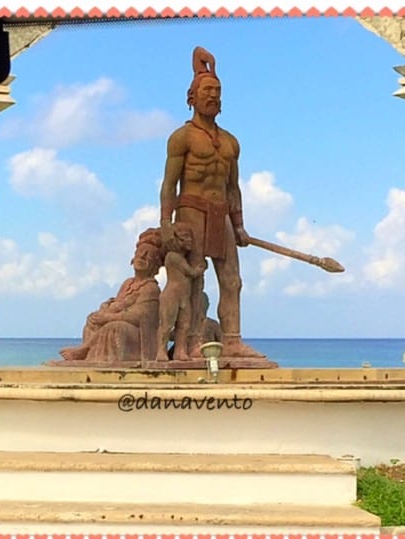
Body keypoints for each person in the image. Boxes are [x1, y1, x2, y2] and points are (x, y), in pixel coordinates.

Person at [159, 46, 264, 358]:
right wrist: (166, 223)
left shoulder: (231, 142)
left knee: (232, 280)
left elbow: (234, 188)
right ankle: (189, 342)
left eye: (218, 91)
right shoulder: (182, 137)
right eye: (207, 90)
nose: (214, 96)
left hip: (222, 215)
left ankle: (232, 340)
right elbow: (169, 184)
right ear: (192, 96)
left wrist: (240, 225)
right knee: (193, 279)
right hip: (191, 209)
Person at [59, 230, 164, 362]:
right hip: (118, 319)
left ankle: (84, 350)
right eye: (139, 253)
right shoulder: (128, 283)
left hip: (140, 335)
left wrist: (108, 317)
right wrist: (104, 309)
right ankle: (90, 355)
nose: (141, 257)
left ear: (154, 264)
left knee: (114, 327)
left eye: (147, 255)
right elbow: (118, 302)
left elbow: (140, 316)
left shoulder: (151, 288)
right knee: (91, 323)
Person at [156, 222, 204, 362]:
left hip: (184, 296)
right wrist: (200, 268)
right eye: (185, 238)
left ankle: (180, 351)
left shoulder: (182, 258)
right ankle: (161, 350)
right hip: (172, 295)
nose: (189, 241)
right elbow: (191, 272)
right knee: (167, 325)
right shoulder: (172, 256)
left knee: (184, 325)